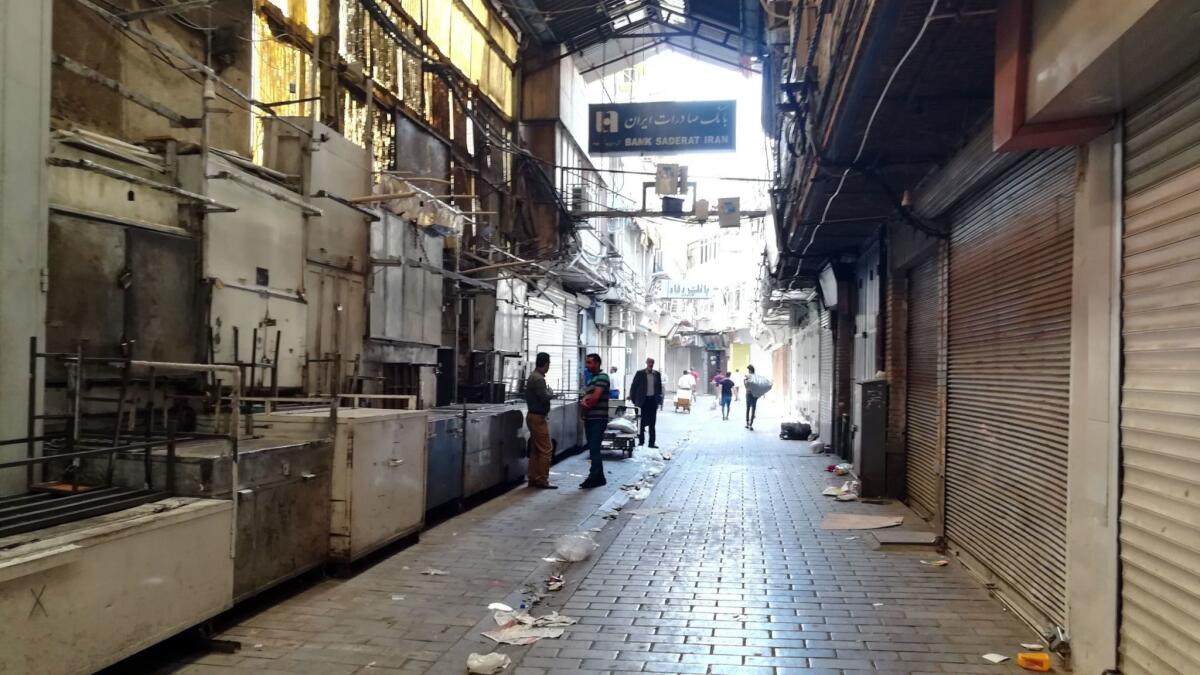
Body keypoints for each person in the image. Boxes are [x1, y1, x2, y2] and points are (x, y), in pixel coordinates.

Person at [523, 352, 557, 489]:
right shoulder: (539, 379)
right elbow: (544, 397)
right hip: (538, 417)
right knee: (546, 449)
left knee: (536, 449)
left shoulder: (533, 376)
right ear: (546, 364)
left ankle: (533, 477)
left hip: (532, 416)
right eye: (549, 364)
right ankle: (542, 479)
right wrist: (551, 393)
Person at [579, 353, 610, 489]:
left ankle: (594, 477)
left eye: (590, 362)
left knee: (594, 448)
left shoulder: (602, 377)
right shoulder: (592, 380)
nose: (587, 365)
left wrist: (586, 404)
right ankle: (599, 477)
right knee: (593, 449)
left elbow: (595, 397)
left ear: (597, 363)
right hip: (591, 418)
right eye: (587, 363)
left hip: (598, 418)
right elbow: (586, 396)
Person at [629, 358, 664, 448]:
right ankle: (641, 441)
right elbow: (634, 386)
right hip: (642, 401)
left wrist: (659, 399)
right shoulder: (640, 373)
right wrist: (634, 400)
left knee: (652, 422)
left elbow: (659, 388)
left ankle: (651, 443)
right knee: (641, 422)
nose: (651, 364)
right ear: (646, 363)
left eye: (652, 363)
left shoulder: (657, 374)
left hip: (652, 401)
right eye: (649, 362)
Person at [744, 364, 759, 430]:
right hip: (755, 394)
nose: (748, 371)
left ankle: (747, 423)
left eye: (748, 370)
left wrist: (745, 380)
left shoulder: (748, 377)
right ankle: (751, 424)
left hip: (749, 393)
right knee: (753, 408)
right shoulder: (756, 377)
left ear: (750, 370)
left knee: (748, 408)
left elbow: (746, 386)